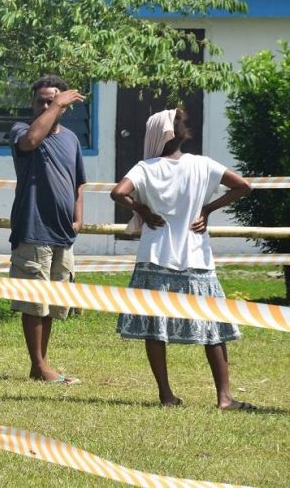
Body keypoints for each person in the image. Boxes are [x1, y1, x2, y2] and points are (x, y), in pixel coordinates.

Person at [112, 108, 254, 410]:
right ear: (180, 134)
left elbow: (118, 193)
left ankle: (166, 394)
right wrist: (207, 210)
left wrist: (143, 211)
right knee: (213, 327)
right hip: (196, 257)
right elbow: (243, 186)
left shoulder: (145, 167)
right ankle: (225, 398)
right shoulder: (202, 165)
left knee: (155, 327)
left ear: (153, 135)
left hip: (155, 255)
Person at [7, 75, 86, 385]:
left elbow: (79, 182)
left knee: (51, 302)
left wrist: (78, 218)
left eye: (51, 100)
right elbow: (30, 142)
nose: (46, 105)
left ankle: (40, 364)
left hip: (62, 234)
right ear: (33, 102)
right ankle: (38, 364)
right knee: (34, 301)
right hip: (33, 227)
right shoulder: (21, 131)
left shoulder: (71, 139)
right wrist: (56, 103)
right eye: (41, 100)